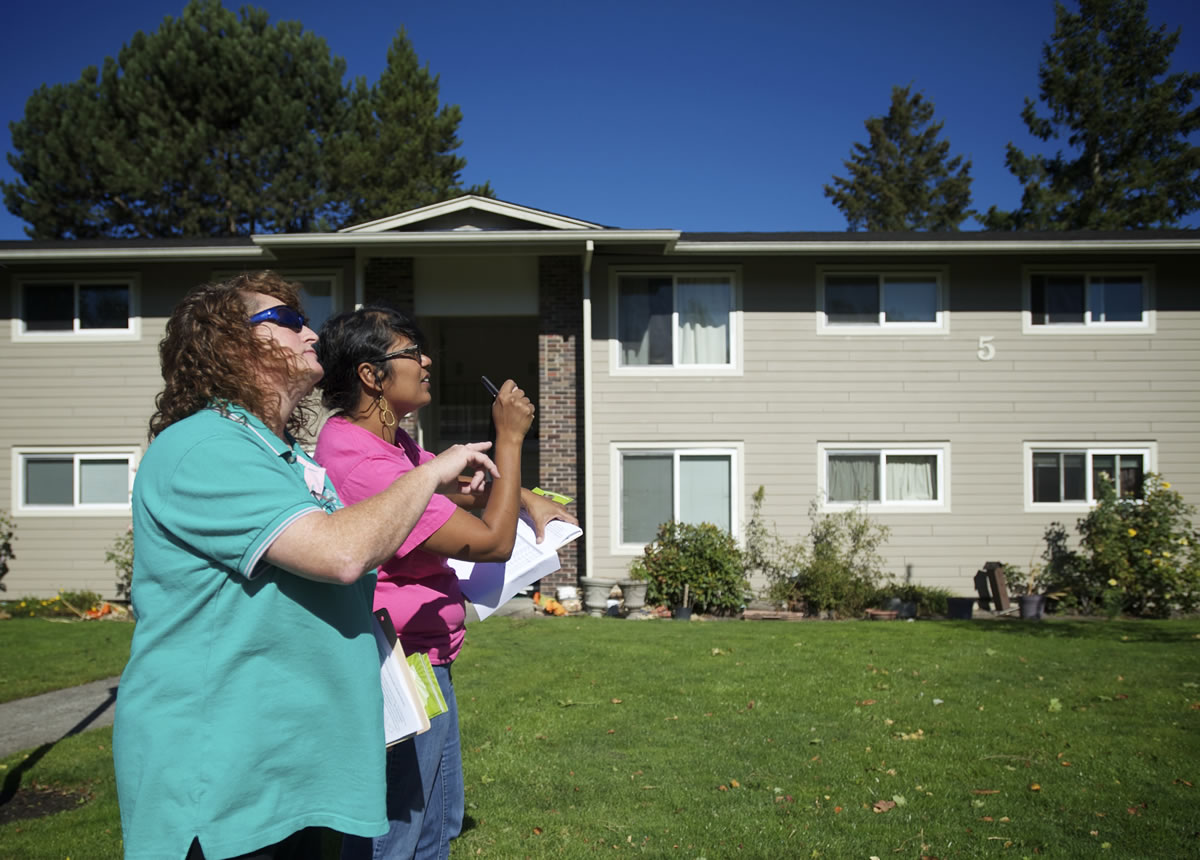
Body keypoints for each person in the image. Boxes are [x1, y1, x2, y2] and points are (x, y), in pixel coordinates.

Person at [112, 272, 498, 860]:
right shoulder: (205, 446)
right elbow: (341, 553)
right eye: (288, 322)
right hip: (223, 781)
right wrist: (428, 473)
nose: (311, 333)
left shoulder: (285, 460)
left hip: (292, 769)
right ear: (232, 344)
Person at [314, 305, 576, 860]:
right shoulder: (365, 465)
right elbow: (491, 544)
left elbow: (460, 488)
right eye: (412, 352)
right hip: (399, 666)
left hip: (426, 657)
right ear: (370, 374)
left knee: (436, 824)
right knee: (398, 832)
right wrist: (509, 438)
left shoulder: (391, 445)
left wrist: (531, 502)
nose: (427, 360)